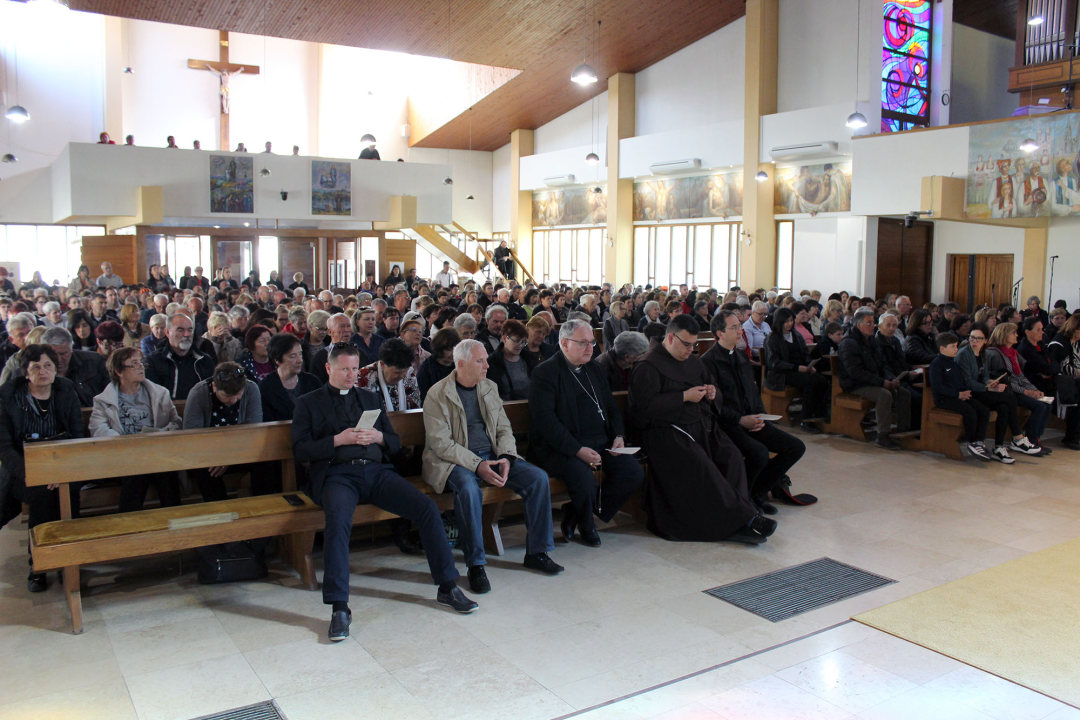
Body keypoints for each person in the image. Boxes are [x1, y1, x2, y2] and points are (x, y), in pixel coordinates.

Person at [293, 343, 477, 640]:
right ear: (329, 369)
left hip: (376, 472)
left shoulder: (369, 398)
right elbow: (300, 450)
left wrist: (379, 436)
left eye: (355, 368)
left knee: (427, 508)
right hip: (337, 475)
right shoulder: (308, 403)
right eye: (344, 369)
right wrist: (337, 440)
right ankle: (339, 607)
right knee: (338, 524)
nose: (351, 375)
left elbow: (394, 442)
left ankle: (448, 587)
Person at [422, 339, 562, 594]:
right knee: (468, 490)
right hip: (454, 460)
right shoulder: (437, 393)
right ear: (462, 364)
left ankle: (538, 552)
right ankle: (475, 564)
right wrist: (478, 465)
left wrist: (507, 456)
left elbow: (503, 428)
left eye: (486, 359)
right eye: (480, 361)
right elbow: (442, 445)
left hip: (494, 455)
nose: (487, 365)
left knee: (538, 478)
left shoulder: (488, 387)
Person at [628, 315, 773, 544]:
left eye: (694, 344)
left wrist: (713, 393)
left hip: (700, 425)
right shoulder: (647, 365)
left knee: (732, 456)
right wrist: (684, 396)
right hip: (665, 431)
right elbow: (643, 410)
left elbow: (713, 391)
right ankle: (741, 520)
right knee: (702, 464)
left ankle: (739, 516)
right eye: (686, 344)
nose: (691, 350)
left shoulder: (694, 362)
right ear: (670, 337)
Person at [528, 319, 644, 547]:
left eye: (591, 342)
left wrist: (618, 436)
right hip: (562, 447)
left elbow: (610, 407)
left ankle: (576, 512)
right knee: (584, 481)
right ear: (564, 343)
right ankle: (586, 524)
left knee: (633, 473)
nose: (590, 348)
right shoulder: (545, 373)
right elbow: (546, 422)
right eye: (583, 343)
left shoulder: (594, 368)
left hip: (601, 442)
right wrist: (577, 450)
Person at [703, 310, 809, 513]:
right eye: (734, 327)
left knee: (795, 447)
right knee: (759, 453)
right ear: (720, 333)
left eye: (739, 326)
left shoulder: (741, 357)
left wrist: (762, 417)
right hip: (728, 425)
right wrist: (740, 420)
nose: (740, 330)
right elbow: (713, 405)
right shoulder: (709, 362)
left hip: (753, 420)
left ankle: (759, 491)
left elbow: (753, 391)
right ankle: (746, 496)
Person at [0, 345, 86, 592]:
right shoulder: (9, 397)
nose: (43, 371)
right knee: (42, 496)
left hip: (63, 466)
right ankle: (39, 565)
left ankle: (70, 558)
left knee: (68, 492)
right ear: (26, 372)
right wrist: (36, 474)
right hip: (24, 469)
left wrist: (61, 471)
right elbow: (5, 448)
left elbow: (77, 434)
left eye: (48, 365)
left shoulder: (65, 390)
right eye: (35, 367)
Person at [89, 347, 183, 511]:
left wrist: (164, 432)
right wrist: (125, 443)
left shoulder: (160, 394)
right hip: (125, 455)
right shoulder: (103, 401)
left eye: (141, 362)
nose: (141, 366)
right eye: (134, 363)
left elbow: (175, 420)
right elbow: (98, 429)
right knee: (135, 473)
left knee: (167, 471)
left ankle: (174, 519)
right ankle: (129, 524)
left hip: (157, 452)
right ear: (119, 371)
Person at [955, 323, 1041, 463]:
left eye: (979, 338)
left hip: (981, 389)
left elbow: (985, 375)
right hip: (970, 392)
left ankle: (999, 447)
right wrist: (988, 388)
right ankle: (1018, 437)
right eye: (972, 338)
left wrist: (990, 382)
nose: (975, 341)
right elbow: (967, 382)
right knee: (1008, 398)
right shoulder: (964, 354)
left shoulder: (982, 352)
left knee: (1004, 406)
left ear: (985, 340)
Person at [182, 362, 265, 501]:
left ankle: (261, 504)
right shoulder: (199, 393)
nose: (233, 400)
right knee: (205, 469)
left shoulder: (251, 388)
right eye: (227, 395)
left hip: (241, 449)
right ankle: (219, 509)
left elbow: (253, 429)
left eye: (238, 394)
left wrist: (227, 455)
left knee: (265, 461)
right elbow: (192, 435)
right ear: (215, 386)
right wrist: (218, 455)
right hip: (208, 452)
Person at [837, 308, 909, 450]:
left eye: (873, 323)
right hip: (855, 384)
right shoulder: (849, 343)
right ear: (859, 325)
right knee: (884, 395)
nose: (873, 326)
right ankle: (882, 436)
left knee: (904, 392)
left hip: (871, 380)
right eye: (869, 323)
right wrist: (881, 382)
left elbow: (882, 364)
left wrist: (890, 378)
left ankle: (902, 431)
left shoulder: (870, 341)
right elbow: (855, 372)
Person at [985, 322, 1054, 456]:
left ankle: (1036, 438)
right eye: (1013, 333)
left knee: (1046, 403)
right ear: (1003, 334)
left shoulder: (1013, 353)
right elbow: (1005, 380)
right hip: (1005, 391)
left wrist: (1034, 390)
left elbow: (1020, 376)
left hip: (1016, 389)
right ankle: (1031, 440)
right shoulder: (993, 353)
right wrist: (1027, 392)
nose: (1017, 335)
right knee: (1039, 406)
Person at [930, 333, 996, 461]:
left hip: (959, 396)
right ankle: (971, 441)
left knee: (983, 410)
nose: (956, 349)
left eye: (957, 346)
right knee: (970, 412)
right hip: (944, 399)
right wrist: (957, 394)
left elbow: (960, 382)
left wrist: (964, 393)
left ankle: (978, 441)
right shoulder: (937, 364)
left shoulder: (953, 363)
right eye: (953, 347)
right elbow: (938, 387)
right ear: (942, 349)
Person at [763, 307, 829, 430]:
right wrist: (797, 368)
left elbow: (805, 354)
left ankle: (818, 414)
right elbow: (774, 363)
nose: (789, 324)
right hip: (782, 374)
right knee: (810, 382)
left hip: (800, 369)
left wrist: (810, 365)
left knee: (821, 380)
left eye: (791, 320)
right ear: (779, 322)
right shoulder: (772, 338)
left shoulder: (796, 335)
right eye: (786, 321)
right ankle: (806, 419)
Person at [144, 314, 215, 400]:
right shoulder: (153, 361)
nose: (186, 334)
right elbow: (152, 396)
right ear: (167, 332)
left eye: (190, 330)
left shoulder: (204, 360)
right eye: (180, 330)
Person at [260, 332, 321, 422]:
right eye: (293, 356)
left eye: (300, 354)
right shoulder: (266, 387)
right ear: (277, 359)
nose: (299, 360)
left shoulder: (312, 382)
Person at [42, 327, 110, 407]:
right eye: (53, 355)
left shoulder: (94, 362)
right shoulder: (36, 369)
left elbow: (111, 396)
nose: (58, 360)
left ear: (71, 349)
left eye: (63, 354)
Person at [356, 338, 421, 410]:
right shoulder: (363, 377)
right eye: (397, 372)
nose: (402, 376)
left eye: (404, 371)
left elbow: (415, 408)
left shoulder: (409, 373)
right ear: (382, 364)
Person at [1046, 313, 1080, 450]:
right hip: (1059, 382)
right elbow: (1061, 368)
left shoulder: (1076, 342)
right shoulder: (1059, 343)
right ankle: (1072, 436)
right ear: (1074, 328)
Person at [485, 319, 537, 401]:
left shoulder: (529, 358)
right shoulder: (492, 361)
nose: (520, 345)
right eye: (516, 341)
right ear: (505, 339)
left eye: (523, 342)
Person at [417, 327, 460, 403]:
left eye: (456, 349)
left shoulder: (460, 366)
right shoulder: (426, 369)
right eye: (449, 349)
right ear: (439, 348)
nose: (453, 353)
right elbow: (425, 398)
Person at [309, 313, 353, 383]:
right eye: (342, 326)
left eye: (349, 326)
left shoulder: (359, 354)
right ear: (330, 332)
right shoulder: (319, 358)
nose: (347, 330)